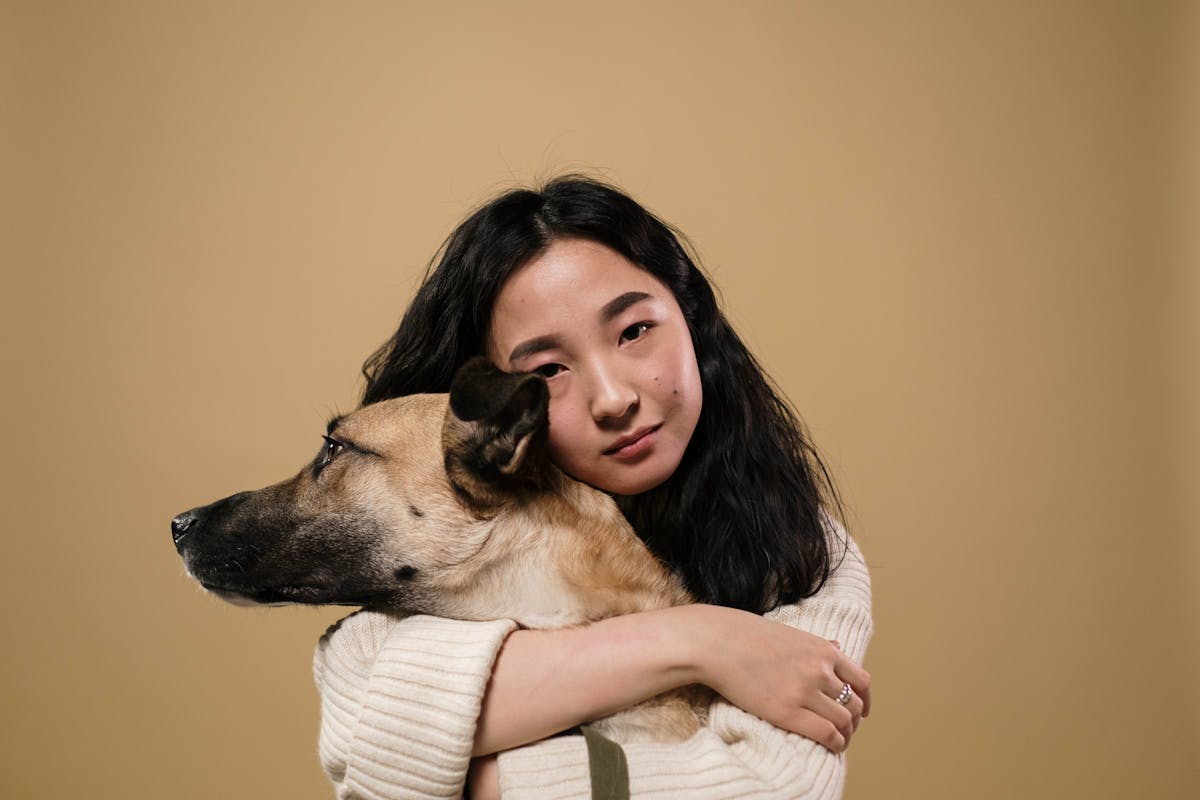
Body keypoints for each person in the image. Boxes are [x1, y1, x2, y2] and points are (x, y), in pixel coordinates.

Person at [312, 176, 873, 799]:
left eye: (633, 331)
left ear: (689, 316)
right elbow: (365, 724)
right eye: (548, 369)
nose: (613, 398)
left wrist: (488, 785)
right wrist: (704, 640)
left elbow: (774, 789)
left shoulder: (799, 546)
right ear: (496, 410)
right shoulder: (442, 540)